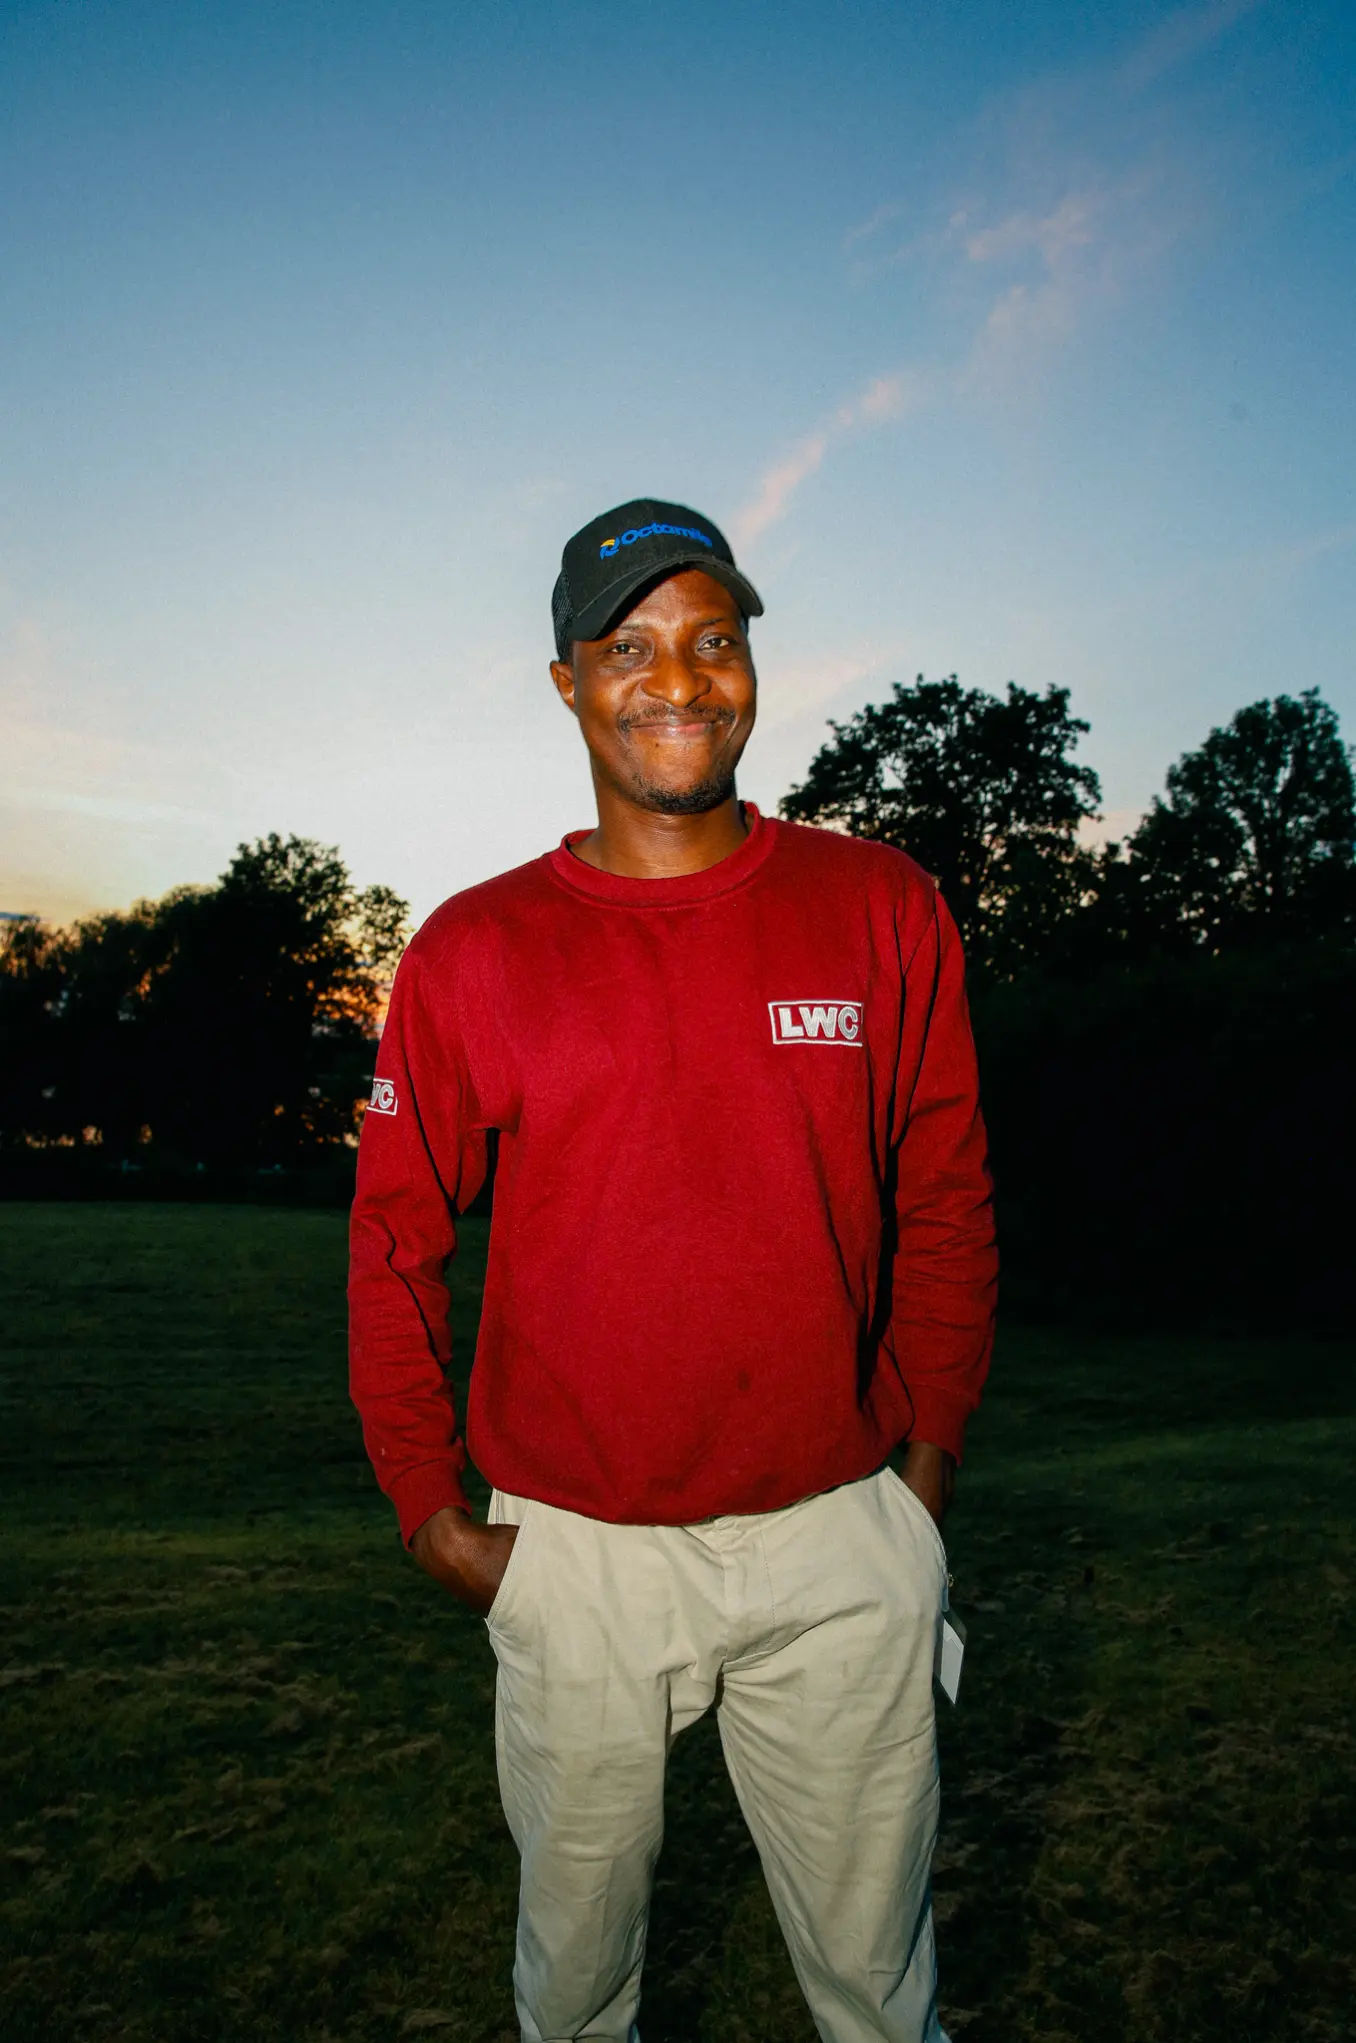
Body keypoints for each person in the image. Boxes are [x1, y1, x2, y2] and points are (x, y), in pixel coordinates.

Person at [348, 498, 998, 2043]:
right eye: (630, 646)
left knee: (879, 1998)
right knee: (573, 1999)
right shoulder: (475, 948)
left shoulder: (880, 906)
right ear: (568, 680)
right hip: (578, 1554)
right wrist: (431, 1508)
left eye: (714, 639)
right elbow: (391, 1239)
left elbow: (949, 1195)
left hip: (839, 1537)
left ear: (752, 659)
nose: (679, 680)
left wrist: (920, 1471)